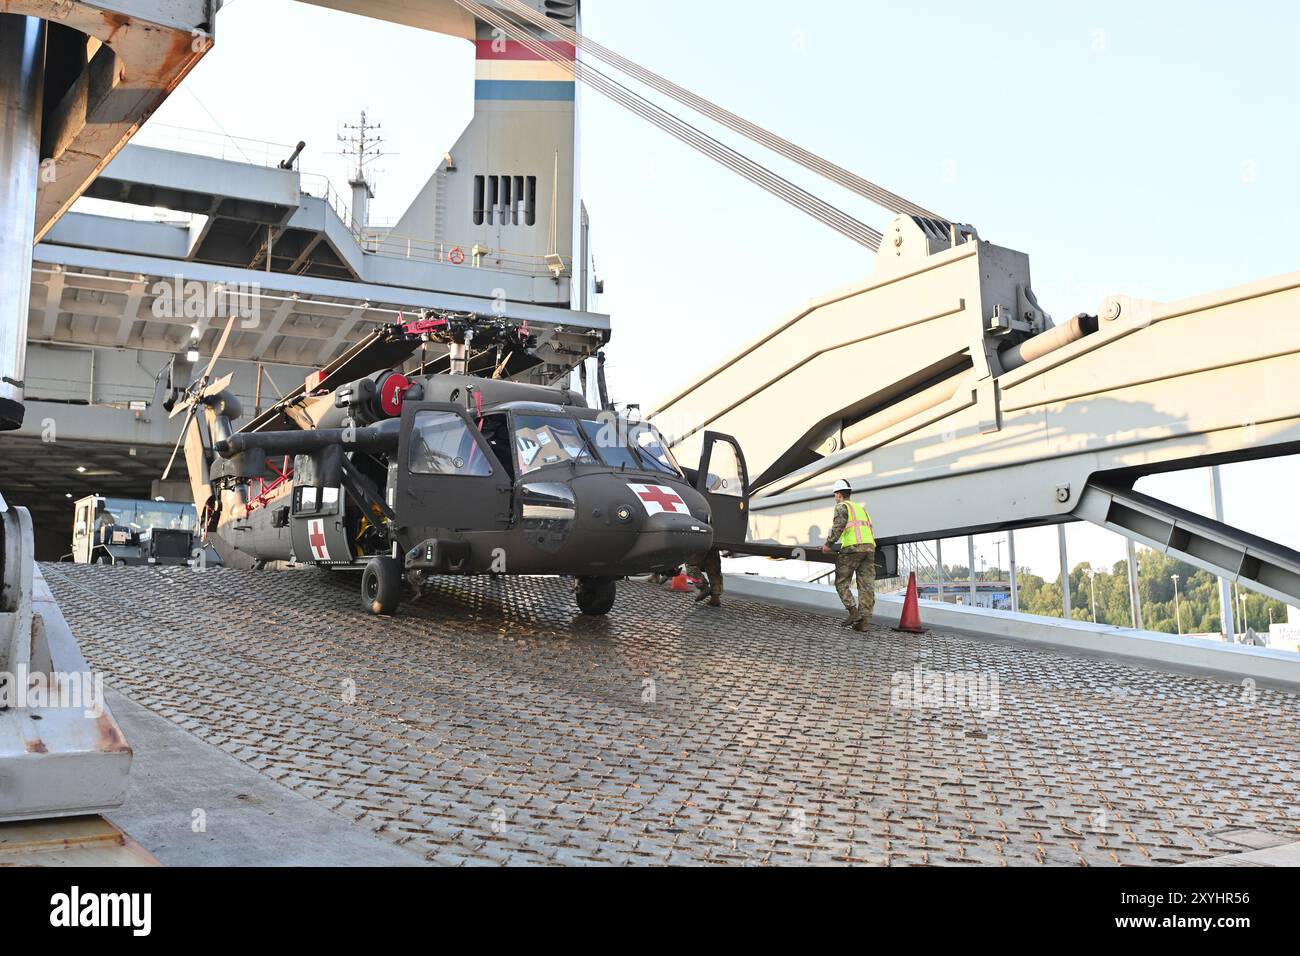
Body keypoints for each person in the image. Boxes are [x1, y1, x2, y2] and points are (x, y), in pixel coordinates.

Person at [821, 479, 876, 631]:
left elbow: (838, 527)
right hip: (869, 549)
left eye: (835, 495)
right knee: (866, 586)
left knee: (841, 582)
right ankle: (864, 623)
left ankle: (853, 612)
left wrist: (828, 544)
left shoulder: (842, 506)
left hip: (852, 549)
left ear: (838, 494)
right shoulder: (861, 509)